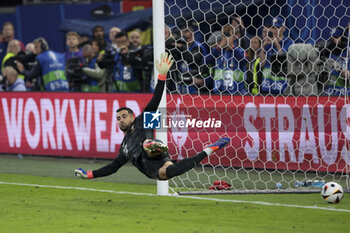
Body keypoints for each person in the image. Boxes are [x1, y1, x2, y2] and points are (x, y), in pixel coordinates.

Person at [74, 53, 230, 180]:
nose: (121, 120)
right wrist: (89, 174)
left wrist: (162, 76)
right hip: (151, 171)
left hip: (157, 156)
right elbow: (113, 168)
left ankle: (200, 150)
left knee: (149, 142)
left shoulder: (143, 120)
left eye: (124, 116)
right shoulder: (125, 146)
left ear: (132, 116)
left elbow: (155, 100)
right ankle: (203, 150)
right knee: (170, 172)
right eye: (118, 119)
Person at [209, 25, 247, 95]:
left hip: (237, 92)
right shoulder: (218, 51)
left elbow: (243, 61)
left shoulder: (240, 51)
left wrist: (232, 47)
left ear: (234, 37)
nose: (226, 38)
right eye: (224, 35)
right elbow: (207, 60)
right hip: (219, 91)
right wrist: (220, 46)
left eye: (229, 35)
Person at [260, 16, 293, 95]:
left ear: (283, 28)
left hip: (281, 86)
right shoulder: (267, 43)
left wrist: (277, 45)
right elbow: (262, 64)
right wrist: (263, 46)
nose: (274, 30)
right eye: (273, 28)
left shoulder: (289, 43)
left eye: (277, 28)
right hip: (267, 86)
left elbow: (286, 63)